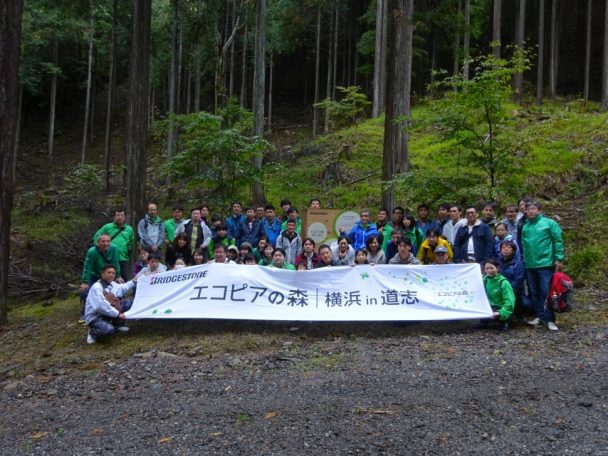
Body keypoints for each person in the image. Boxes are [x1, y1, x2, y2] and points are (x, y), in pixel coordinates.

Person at [521, 199, 565, 331]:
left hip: (545, 263)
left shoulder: (549, 223)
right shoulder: (525, 226)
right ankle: (539, 316)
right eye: (528, 209)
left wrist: (558, 258)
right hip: (530, 264)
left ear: (539, 210)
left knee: (547, 291)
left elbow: (557, 241)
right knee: (534, 292)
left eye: (533, 209)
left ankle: (550, 319)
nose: (531, 211)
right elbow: (524, 246)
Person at [85, 264, 136, 345]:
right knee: (109, 330)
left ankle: (118, 324)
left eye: (113, 273)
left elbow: (122, 288)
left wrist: (134, 281)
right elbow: (100, 306)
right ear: (102, 273)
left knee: (128, 303)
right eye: (109, 272)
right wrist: (118, 314)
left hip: (108, 313)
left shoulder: (112, 284)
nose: (111, 275)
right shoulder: (96, 287)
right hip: (95, 317)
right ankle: (92, 332)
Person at [80, 234, 123, 317]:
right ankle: (85, 310)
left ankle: (114, 308)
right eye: (103, 241)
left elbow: (116, 263)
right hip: (95, 274)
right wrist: (85, 281)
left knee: (114, 290)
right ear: (98, 242)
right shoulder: (92, 251)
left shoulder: (114, 249)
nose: (106, 243)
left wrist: (118, 276)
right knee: (86, 291)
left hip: (108, 274)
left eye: (108, 241)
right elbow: (87, 266)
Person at [93, 209, 135, 280]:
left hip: (123, 258)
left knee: (123, 278)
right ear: (114, 217)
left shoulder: (129, 229)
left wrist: (127, 249)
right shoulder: (107, 227)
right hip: (109, 257)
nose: (120, 217)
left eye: (122, 215)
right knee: (108, 278)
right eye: (118, 215)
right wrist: (99, 247)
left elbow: (131, 241)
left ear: (125, 217)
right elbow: (96, 237)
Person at [479, 259, 515, 331]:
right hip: (488, 307)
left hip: (499, 308)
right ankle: (484, 322)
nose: (489, 271)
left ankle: (505, 322)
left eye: (491, 268)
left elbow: (510, 301)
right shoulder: (484, 280)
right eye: (487, 269)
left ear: (497, 268)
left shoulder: (504, 282)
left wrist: (500, 312)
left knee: (500, 317)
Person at [497, 240, 526, 319]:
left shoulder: (518, 263)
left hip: (514, 289)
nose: (506, 249)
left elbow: (518, 280)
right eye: (503, 247)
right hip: (498, 288)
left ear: (514, 250)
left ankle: (517, 315)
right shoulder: (497, 262)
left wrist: (506, 289)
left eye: (509, 247)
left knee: (527, 304)